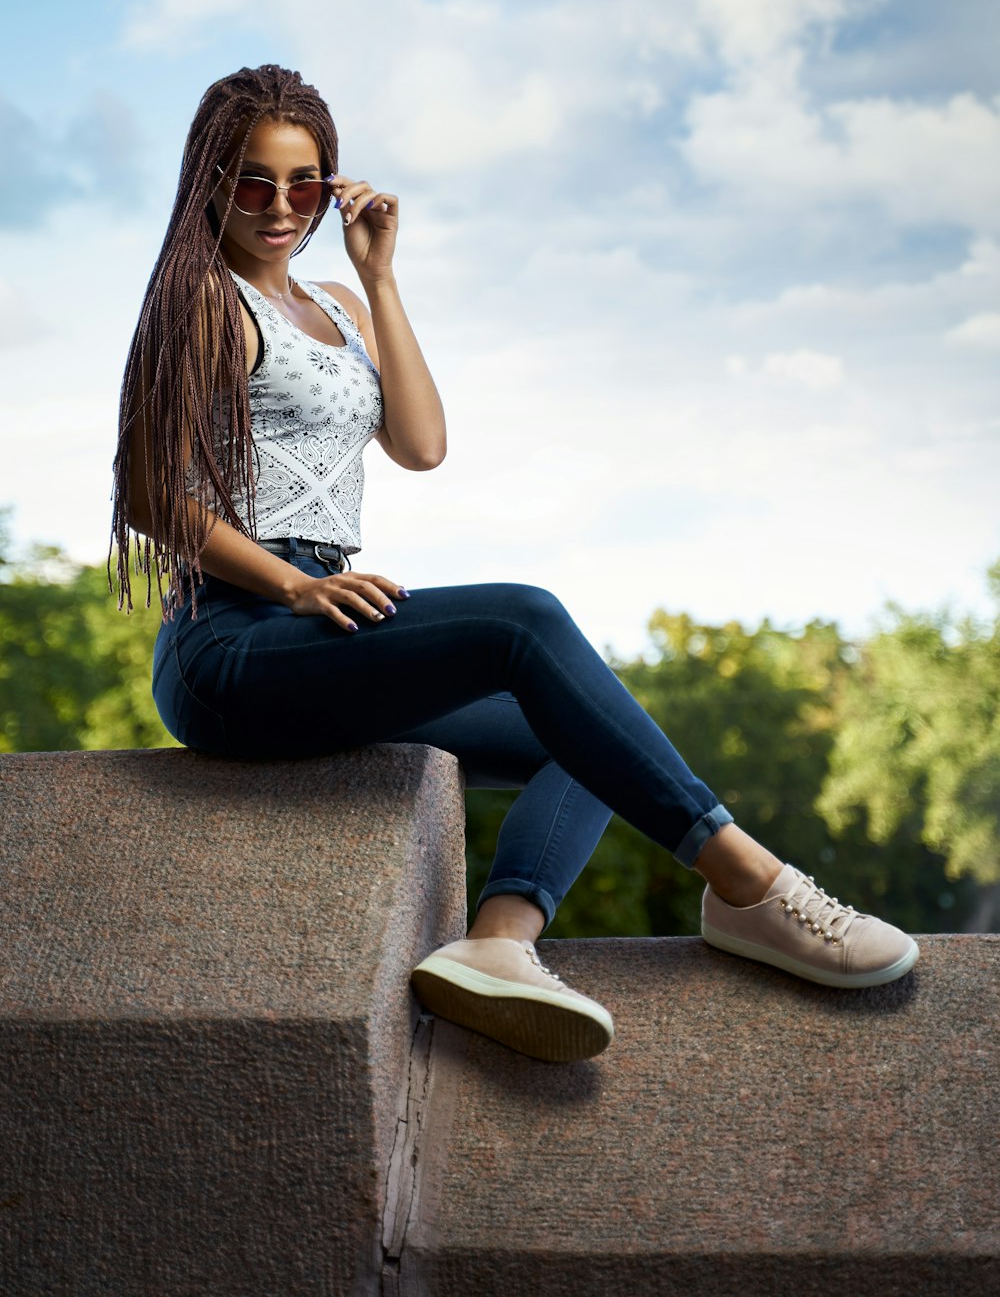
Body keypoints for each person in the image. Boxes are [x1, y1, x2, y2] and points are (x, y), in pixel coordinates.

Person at [110, 64, 919, 1064]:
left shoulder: (332, 304)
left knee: (577, 734)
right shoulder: (201, 300)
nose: (281, 208)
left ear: (330, 186)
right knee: (522, 619)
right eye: (253, 182)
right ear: (209, 181)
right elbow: (151, 498)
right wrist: (296, 584)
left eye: (305, 183)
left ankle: (496, 946)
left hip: (318, 621)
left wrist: (379, 276)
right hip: (231, 637)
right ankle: (754, 885)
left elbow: (420, 442)